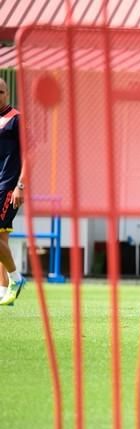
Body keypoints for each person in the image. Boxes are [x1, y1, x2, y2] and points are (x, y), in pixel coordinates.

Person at [0, 78, 26, 306]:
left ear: (7, 93)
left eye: (0, 92)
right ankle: (3, 290)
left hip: (7, 185)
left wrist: (21, 185)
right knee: (1, 239)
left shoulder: (16, 119)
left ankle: (16, 279)